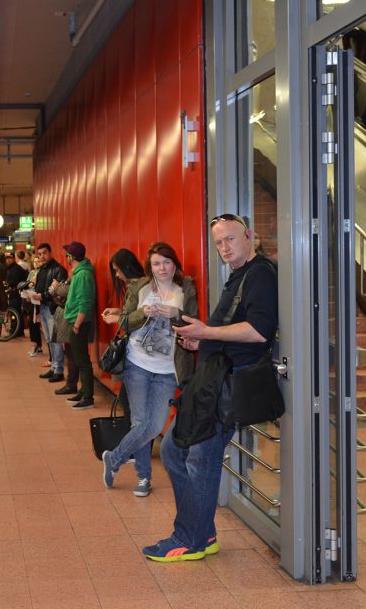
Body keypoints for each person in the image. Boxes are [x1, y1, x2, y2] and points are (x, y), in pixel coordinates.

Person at [143, 214, 277, 562]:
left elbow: (259, 331)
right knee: (173, 451)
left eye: (230, 239)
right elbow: (227, 330)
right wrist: (198, 341)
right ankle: (201, 531)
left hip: (227, 384)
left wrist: (206, 334)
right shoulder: (238, 276)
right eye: (218, 242)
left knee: (199, 459)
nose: (224, 248)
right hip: (211, 379)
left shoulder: (260, 274)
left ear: (249, 236)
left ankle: (190, 539)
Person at [102, 243, 197, 496]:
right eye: (156, 263)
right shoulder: (140, 288)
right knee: (140, 423)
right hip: (137, 365)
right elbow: (124, 320)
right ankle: (144, 477)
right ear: (150, 267)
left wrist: (176, 313)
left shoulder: (185, 288)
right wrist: (142, 313)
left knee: (153, 427)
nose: (162, 268)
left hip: (167, 369)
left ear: (174, 264)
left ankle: (114, 458)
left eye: (166, 262)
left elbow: (192, 321)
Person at [100, 248, 148, 426]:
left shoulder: (143, 286)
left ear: (127, 267)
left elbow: (143, 317)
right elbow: (135, 313)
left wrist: (118, 319)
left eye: (118, 270)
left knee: (132, 405)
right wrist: (119, 311)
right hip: (135, 351)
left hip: (140, 353)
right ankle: (135, 446)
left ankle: (137, 447)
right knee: (128, 401)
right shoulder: (135, 286)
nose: (117, 275)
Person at [61, 241, 97, 410]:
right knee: (79, 358)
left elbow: (84, 302)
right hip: (77, 321)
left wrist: (76, 324)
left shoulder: (82, 275)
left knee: (82, 360)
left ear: (70, 257)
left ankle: (88, 397)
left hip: (79, 322)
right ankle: (84, 391)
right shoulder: (80, 273)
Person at [32, 243, 68, 382]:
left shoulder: (59, 270)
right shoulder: (41, 269)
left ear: (51, 252)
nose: (42, 256)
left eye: (44, 253)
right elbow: (41, 287)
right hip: (43, 307)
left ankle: (58, 370)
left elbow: (58, 291)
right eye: (40, 254)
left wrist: (42, 296)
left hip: (53, 308)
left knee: (55, 340)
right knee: (49, 339)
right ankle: (53, 367)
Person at [5, 251, 28, 337]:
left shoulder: (16, 269)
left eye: (9, 259)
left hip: (16, 294)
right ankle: (17, 331)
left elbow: (14, 281)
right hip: (14, 294)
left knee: (15, 313)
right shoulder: (12, 268)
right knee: (15, 313)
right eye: (6, 259)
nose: (8, 260)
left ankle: (15, 331)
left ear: (14, 258)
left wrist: (7, 283)